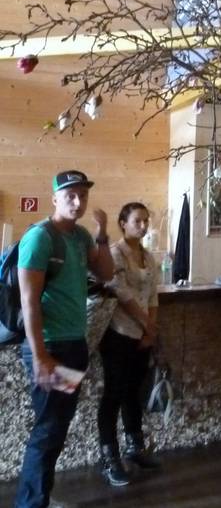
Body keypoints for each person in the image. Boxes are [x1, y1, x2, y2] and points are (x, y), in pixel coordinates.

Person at [15, 170, 115, 508]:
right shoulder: (40, 237)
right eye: (70, 195)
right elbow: (29, 300)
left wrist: (102, 234)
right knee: (48, 429)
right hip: (50, 347)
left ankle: (39, 497)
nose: (77, 201)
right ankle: (31, 503)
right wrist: (40, 356)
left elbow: (106, 274)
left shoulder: (81, 236)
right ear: (54, 198)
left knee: (56, 426)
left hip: (73, 345)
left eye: (82, 195)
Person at [97, 202, 161, 487]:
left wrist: (150, 329)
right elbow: (121, 293)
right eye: (137, 221)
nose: (143, 226)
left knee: (133, 392)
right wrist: (147, 324)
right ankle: (109, 457)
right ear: (123, 223)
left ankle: (135, 447)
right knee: (114, 393)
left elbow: (153, 295)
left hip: (142, 333)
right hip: (118, 333)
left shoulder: (148, 256)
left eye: (146, 221)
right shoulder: (115, 253)